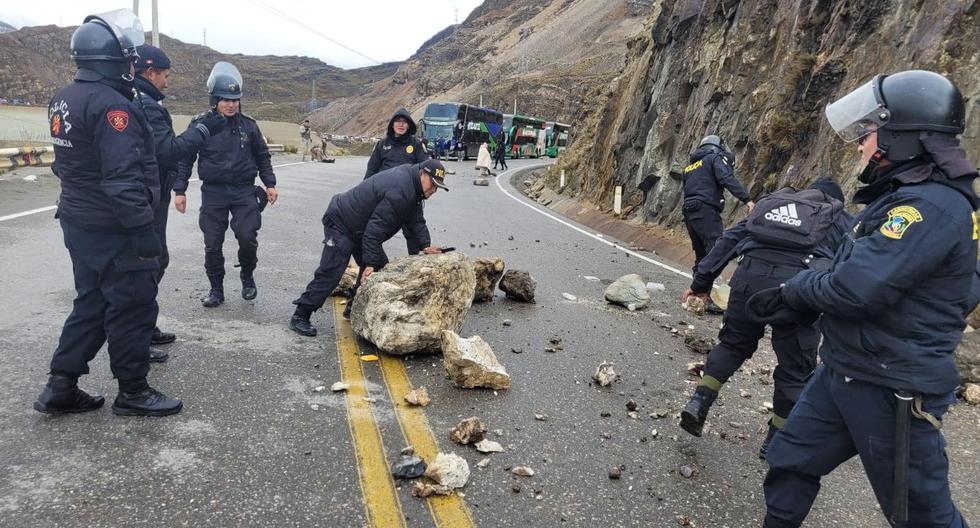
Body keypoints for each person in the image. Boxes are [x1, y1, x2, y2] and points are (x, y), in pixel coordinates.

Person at [755, 70, 975, 528]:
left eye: (868, 133)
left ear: (900, 136)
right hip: (844, 369)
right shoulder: (904, 199)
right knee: (790, 461)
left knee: (920, 516)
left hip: (892, 386)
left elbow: (851, 288)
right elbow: (847, 270)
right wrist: (810, 285)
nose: (859, 144)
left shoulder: (928, 208)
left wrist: (795, 289)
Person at [33, 9, 182, 417]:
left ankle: (60, 386)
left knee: (92, 302)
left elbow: (66, 164)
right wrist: (142, 229)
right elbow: (122, 178)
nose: (133, 65)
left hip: (78, 220)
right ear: (113, 58)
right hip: (113, 226)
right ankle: (133, 390)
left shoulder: (63, 98)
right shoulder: (115, 107)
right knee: (133, 305)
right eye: (129, 58)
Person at [679, 178, 852, 458]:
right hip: (797, 290)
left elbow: (728, 241)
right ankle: (775, 440)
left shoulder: (772, 206)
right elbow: (851, 265)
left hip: (748, 278)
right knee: (795, 370)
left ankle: (699, 401)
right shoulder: (838, 217)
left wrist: (701, 283)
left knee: (733, 345)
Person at [134, 44, 227, 362]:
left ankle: (144, 328)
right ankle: (136, 337)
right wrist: (202, 129)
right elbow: (168, 151)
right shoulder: (146, 105)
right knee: (149, 264)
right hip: (147, 196)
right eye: (165, 75)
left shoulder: (142, 100)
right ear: (150, 73)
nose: (167, 82)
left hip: (151, 193)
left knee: (155, 261)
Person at [288, 159, 450, 336]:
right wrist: (369, 264)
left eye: (437, 187)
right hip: (341, 222)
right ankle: (300, 315)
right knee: (332, 270)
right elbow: (375, 230)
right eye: (433, 185)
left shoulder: (414, 190)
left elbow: (415, 222)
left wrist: (425, 246)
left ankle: (353, 307)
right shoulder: (399, 190)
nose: (434, 190)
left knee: (380, 266)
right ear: (422, 174)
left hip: (360, 229)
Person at [174, 61, 278, 308]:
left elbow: (263, 156)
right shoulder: (201, 125)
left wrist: (270, 184)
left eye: (235, 100)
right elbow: (185, 157)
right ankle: (216, 289)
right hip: (214, 192)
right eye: (225, 100)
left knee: (247, 237)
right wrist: (180, 190)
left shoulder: (249, 126)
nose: (231, 104)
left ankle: (247, 275)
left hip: (244, 191)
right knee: (212, 243)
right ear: (215, 100)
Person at [682, 135, 755, 312]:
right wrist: (747, 200)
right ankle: (701, 293)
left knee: (702, 254)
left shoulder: (690, 167)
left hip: (689, 210)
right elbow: (726, 179)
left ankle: (698, 295)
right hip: (706, 209)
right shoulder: (713, 158)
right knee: (717, 250)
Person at [364, 108, 428, 179]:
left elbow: (424, 169)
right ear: (392, 125)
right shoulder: (382, 144)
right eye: (398, 121)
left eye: (404, 122)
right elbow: (372, 169)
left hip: (407, 187)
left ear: (408, 125)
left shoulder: (416, 144)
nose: (401, 124)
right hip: (383, 187)